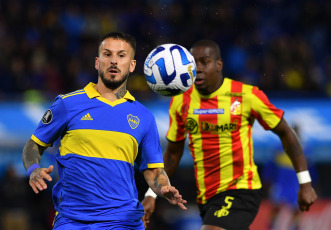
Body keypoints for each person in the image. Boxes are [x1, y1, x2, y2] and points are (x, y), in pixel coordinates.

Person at [142, 40, 317, 230]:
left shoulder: (246, 95)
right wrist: (151, 194)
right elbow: (173, 154)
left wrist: (305, 183)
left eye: (204, 62)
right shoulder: (180, 101)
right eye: (193, 63)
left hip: (242, 188)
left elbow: (286, 133)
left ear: (219, 65)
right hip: (207, 195)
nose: (198, 69)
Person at [22, 32, 186, 230]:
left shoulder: (144, 117)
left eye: (121, 55)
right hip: (73, 221)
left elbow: (154, 171)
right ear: (97, 62)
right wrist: (33, 169)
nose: (114, 61)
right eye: (107, 54)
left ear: (132, 65)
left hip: (124, 221)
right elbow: (33, 145)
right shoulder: (67, 104)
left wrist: (163, 188)